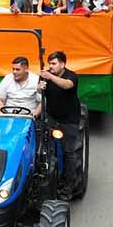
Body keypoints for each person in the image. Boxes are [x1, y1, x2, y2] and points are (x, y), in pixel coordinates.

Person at [40, 51, 82, 197]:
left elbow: (67, 85)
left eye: (54, 63)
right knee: (47, 151)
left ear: (63, 64)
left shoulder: (71, 76)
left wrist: (50, 77)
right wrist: (40, 88)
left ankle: (69, 185)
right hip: (52, 119)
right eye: (49, 63)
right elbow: (40, 94)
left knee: (68, 153)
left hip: (69, 121)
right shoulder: (45, 77)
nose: (50, 66)